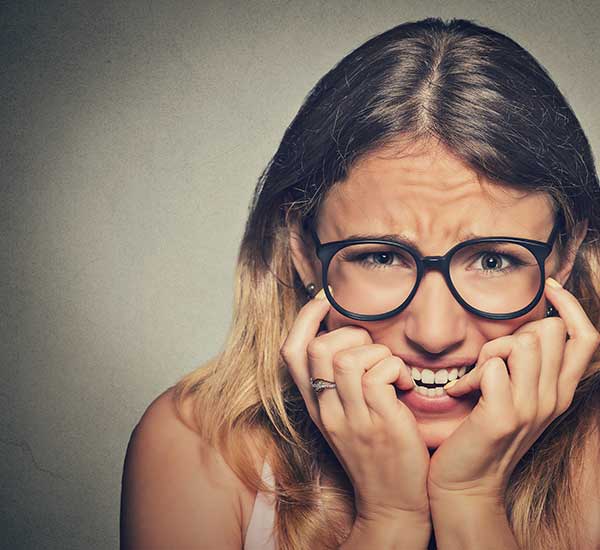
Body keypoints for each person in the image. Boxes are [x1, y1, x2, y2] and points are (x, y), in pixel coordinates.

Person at [119, 17, 600, 550]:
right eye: (380, 256)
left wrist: (470, 498)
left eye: (492, 260)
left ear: (565, 253)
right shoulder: (195, 445)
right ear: (303, 250)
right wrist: (389, 520)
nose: (436, 333)